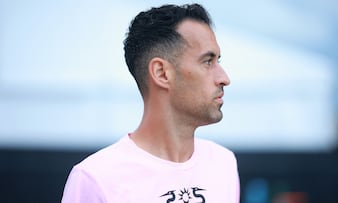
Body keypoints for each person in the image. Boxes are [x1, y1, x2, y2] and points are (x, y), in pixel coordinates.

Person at [62, 3, 240, 203]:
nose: (224, 78)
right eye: (208, 61)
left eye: (219, 61)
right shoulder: (95, 179)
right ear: (161, 73)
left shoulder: (223, 164)